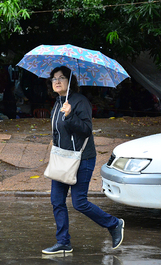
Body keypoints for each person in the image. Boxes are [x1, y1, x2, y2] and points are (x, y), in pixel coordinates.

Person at [42, 66, 125, 255]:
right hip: (63, 159)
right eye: (54, 78)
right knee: (57, 200)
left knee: (79, 202)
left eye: (62, 78)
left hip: (82, 158)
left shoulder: (80, 102)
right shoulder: (57, 103)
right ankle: (63, 242)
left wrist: (70, 115)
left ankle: (114, 224)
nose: (57, 81)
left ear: (70, 81)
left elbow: (86, 130)